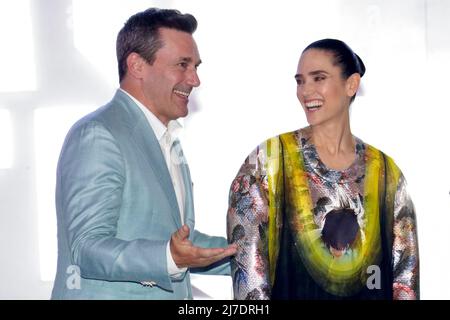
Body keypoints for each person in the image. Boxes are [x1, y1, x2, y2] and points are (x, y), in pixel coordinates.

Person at [51, 8, 236, 300]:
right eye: (183, 64)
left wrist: (257, 255)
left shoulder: (166, 140)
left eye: (196, 66)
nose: (195, 79)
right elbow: (87, 246)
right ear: (137, 65)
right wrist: (169, 257)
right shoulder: (99, 134)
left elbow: (179, 244)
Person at [227, 39, 419, 300]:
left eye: (318, 78)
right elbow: (248, 279)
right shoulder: (267, 162)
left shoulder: (385, 172)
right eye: (300, 81)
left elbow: (405, 277)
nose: (306, 91)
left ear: (351, 84)